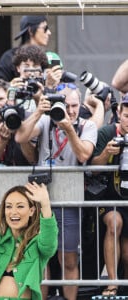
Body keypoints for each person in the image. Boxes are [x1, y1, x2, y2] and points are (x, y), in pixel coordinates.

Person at [15, 84, 97, 300]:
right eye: (65, 105)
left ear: (80, 105)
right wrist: (39, 111)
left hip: (69, 201)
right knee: (40, 258)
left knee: (68, 258)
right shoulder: (44, 121)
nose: (70, 111)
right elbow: (20, 138)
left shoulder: (87, 126)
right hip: (41, 200)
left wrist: (69, 128)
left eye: (74, 105)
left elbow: (83, 155)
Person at [90, 95, 128, 296]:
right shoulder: (106, 132)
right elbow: (92, 168)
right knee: (114, 223)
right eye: (127, 116)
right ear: (118, 115)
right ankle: (112, 283)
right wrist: (107, 153)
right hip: (108, 195)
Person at [0, 15, 51, 82]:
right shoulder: (8, 58)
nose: (49, 32)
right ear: (30, 30)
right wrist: (12, 88)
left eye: (36, 66)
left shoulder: (47, 57)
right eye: (45, 28)